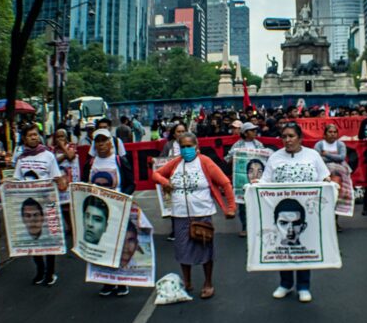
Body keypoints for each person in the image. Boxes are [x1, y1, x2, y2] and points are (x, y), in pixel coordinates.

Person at [153, 132, 235, 300]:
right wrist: (165, 182)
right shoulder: (176, 163)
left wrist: (231, 208)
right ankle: (188, 281)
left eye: (189, 146)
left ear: (197, 147)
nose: (186, 150)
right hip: (180, 215)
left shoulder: (205, 162)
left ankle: (208, 282)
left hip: (202, 214)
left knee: (205, 250)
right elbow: (156, 174)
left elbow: (225, 183)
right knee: (182, 250)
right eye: (182, 146)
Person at [260, 122, 330, 303]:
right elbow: (264, 182)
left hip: (307, 213)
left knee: (304, 247)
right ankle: (285, 283)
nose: (287, 140)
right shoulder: (275, 157)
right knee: (284, 248)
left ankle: (304, 286)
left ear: (300, 138)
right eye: (284, 136)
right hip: (282, 212)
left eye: (291, 136)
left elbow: (324, 176)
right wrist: (255, 185)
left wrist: (330, 182)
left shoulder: (313, 155)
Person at [81, 127, 136, 295]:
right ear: (94, 145)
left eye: (104, 140)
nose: (101, 144)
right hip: (98, 213)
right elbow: (84, 185)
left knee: (120, 245)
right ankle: (107, 281)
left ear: (111, 143)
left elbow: (131, 183)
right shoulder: (90, 164)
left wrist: (121, 198)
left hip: (118, 210)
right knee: (103, 245)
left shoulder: (119, 161)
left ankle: (121, 282)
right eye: (98, 141)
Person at [13, 124, 62, 286]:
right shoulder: (21, 159)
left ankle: (50, 272)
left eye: (35, 134)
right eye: (30, 135)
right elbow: (17, 182)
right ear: (24, 139)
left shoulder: (49, 156)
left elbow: (56, 178)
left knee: (49, 240)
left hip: (47, 204)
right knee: (34, 240)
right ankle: (40, 270)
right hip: (29, 206)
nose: (33, 137)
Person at [226, 122, 265, 237]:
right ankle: (245, 226)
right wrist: (234, 158)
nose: (255, 132)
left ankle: (257, 226)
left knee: (257, 203)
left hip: (257, 178)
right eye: (252, 130)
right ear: (245, 132)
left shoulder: (258, 144)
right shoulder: (237, 146)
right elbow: (228, 159)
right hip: (242, 180)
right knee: (243, 205)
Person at [314, 123, 351, 231]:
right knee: (323, 198)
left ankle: (335, 222)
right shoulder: (319, 144)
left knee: (337, 198)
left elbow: (342, 158)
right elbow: (317, 159)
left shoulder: (341, 145)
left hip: (339, 174)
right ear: (324, 134)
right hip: (324, 173)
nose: (332, 134)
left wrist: (326, 154)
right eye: (330, 132)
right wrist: (333, 158)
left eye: (335, 132)